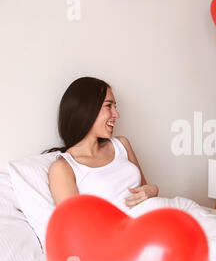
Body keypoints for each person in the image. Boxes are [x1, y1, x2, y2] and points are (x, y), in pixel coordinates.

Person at [46, 77, 158, 212]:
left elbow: (144, 191)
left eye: (115, 107)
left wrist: (153, 190)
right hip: (125, 230)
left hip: (151, 219)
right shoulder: (64, 168)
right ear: (87, 109)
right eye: (108, 105)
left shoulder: (121, 145)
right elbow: (75, 226)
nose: (116, 114)